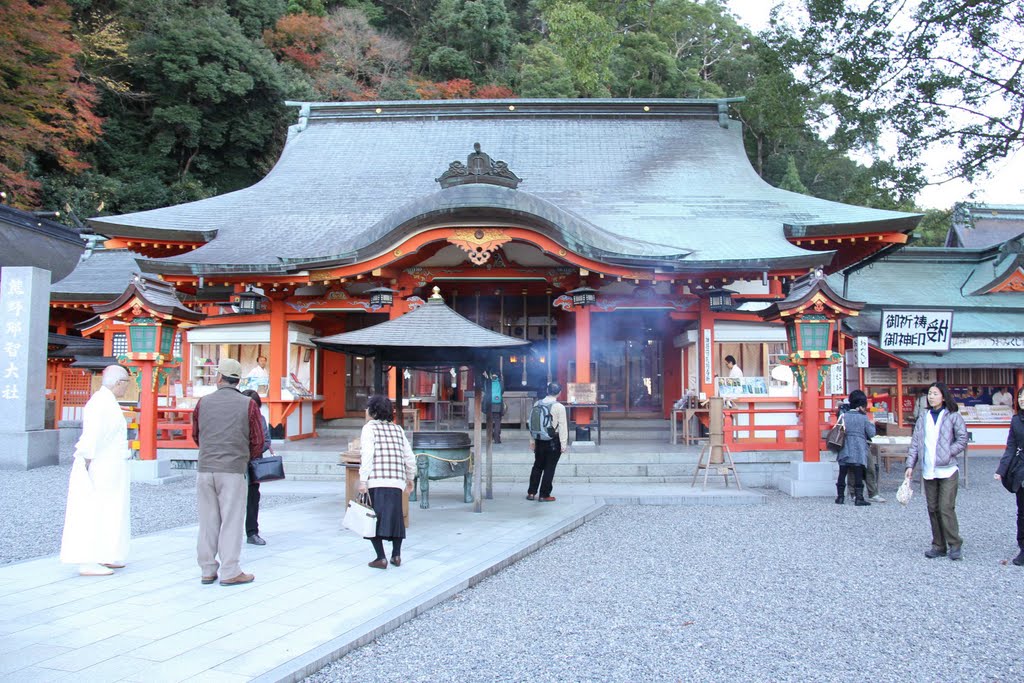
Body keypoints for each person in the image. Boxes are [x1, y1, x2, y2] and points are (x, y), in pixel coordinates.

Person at [192, 358, 264, 585]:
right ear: (238, 381)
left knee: (208, 520)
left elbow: (196, 434)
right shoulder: (247, 404)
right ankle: (230, 570)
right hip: (233, 468)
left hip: (206, 467)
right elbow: (257, 439)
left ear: (219, 377)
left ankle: (207, 569)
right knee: (231, 520)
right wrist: (244, 456)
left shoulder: (202, 403)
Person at [59, 365, 133, 576]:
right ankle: (88, 559)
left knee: (111, 509)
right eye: (127, 382)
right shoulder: (99, 404)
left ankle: (106, 553)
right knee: (96, 509)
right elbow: (92, 437)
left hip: (112, 464)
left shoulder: (107, 402)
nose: (127, 388)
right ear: (119, 383)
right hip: (101, 464)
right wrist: (87, 463)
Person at [904, 382, 969, 561]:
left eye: (935, 393)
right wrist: (910, 465)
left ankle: (955, 544)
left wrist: (949, 452)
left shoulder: (953, 416)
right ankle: (938, 544)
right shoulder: (923, 417)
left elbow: (963, 439)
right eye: (930, 394)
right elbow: (916, 443)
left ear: (943, 396)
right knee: (932, 508)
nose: (931, 397)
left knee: (945, 507)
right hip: (929, 469)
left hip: (948, 469)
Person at [359, 395, 416, 569]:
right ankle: (396, 556)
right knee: (396, 518)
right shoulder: (398, 429)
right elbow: (409, 456)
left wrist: (363, 480)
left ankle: (380, 557)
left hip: (377, 479)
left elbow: (367, 455)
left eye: (368, 408)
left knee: (373, 519)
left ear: (373, 411)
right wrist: (410, 477)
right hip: (396, 481)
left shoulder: (369, 429)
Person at [995, 387, 1024, 566]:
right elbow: (1011, 447)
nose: (1022, 399)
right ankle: (1023, 547)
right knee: (1022, 512)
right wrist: (1001, 469)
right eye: (1021, 396)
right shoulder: (1016, 421)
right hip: (1021, 469)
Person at [241, 389, 274, 546]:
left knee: (253, 498)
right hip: (236, 462)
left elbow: (267, 440)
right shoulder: (235, 418)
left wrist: (255, 449)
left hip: (253, 463)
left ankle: (252, 532)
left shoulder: (260, 419)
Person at [527, 382, 568, 502]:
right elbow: (562, 427)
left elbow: (532, 424)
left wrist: (532, 440)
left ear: (547, 390)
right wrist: (563, 444)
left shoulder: (537, 404)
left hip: (539, 439)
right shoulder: (559, 407)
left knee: (537, 466)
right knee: (549, 468)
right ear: (559, 393)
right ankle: (544, 494)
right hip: (552, 441)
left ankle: (531, 492)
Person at [835, 390, 877, 506]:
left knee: (842, 474)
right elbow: (871, 433)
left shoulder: (843, 416)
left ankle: (840, 497)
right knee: (858, 473)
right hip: (858, 448)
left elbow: (838, 431)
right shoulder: (863, 418)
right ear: (862, 405)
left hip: (844, 448)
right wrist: (872, 423)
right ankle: (859, 498)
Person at [482, 370, 504, 443]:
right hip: (497, 404)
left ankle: (489, 438)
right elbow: (502, 391)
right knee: (497, 422)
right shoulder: (500, 381)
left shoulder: (488, 381)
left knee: (489, 421)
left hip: (489, 403)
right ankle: (497, 439)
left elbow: (485, 390)